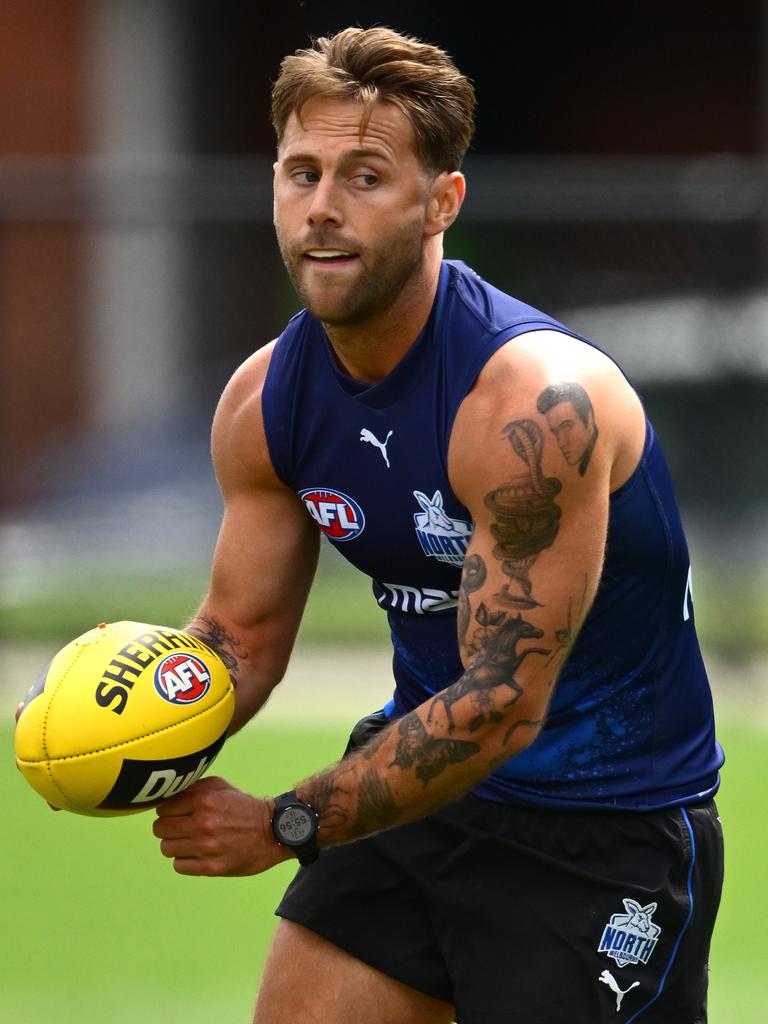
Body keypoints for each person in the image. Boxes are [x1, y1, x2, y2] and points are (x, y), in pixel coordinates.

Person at [152, 26, 724, 1024]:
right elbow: (237, 636)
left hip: (601, 833)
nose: (322, 207)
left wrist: (286, 822)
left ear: (442, 201)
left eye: (365, 176)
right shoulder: (267, 401)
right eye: (302, 172)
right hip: (419, 799)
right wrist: (132, 723)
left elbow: (502, 702)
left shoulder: (530, 407)